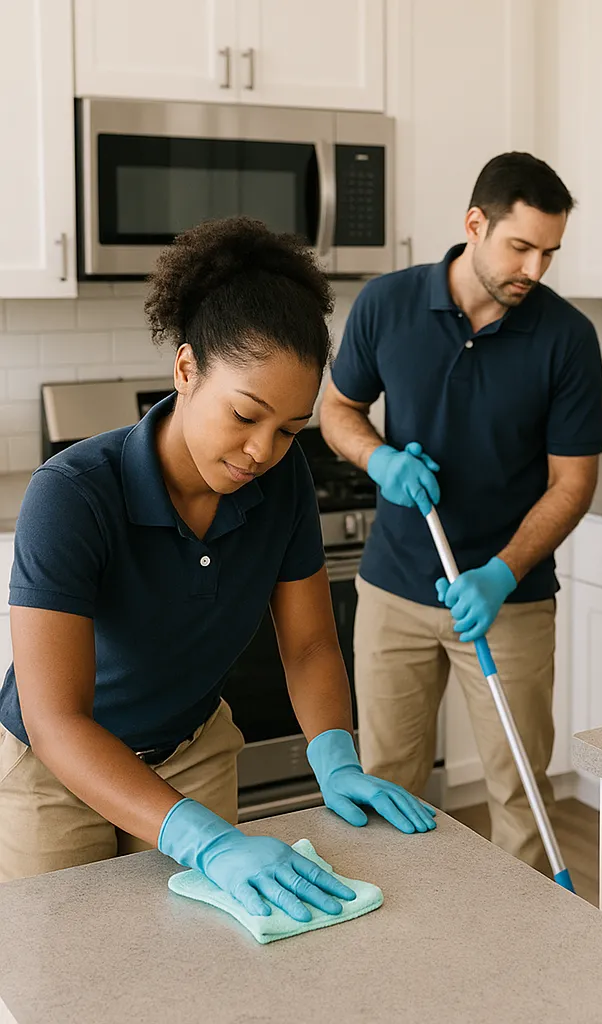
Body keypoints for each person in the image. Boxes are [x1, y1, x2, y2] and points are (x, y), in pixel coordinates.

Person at [0, 217, 434, 918]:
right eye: (245, 415)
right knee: (64, 969)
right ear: (185, 369)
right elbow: (56, 720)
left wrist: (336, 755)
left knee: (196, 967)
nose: (263, 450)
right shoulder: (72, 495)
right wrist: (206, 841)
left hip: (192, 746)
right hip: (55, 768)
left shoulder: (282, 482)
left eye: (290, 429)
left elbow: (311, 643)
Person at [319, 152, 602, 872]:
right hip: (394, 588)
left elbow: (572, 482)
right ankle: (399, 945)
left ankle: (521, 955)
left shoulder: (566, 337)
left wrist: (502, 574)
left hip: (508, 602)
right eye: (521, 246)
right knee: (386, 782)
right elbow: (338, 409)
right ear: (475, 224)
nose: (535, 270)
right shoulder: (387, 304)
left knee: (518, 791)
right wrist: (377, 457)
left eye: (550, 252)